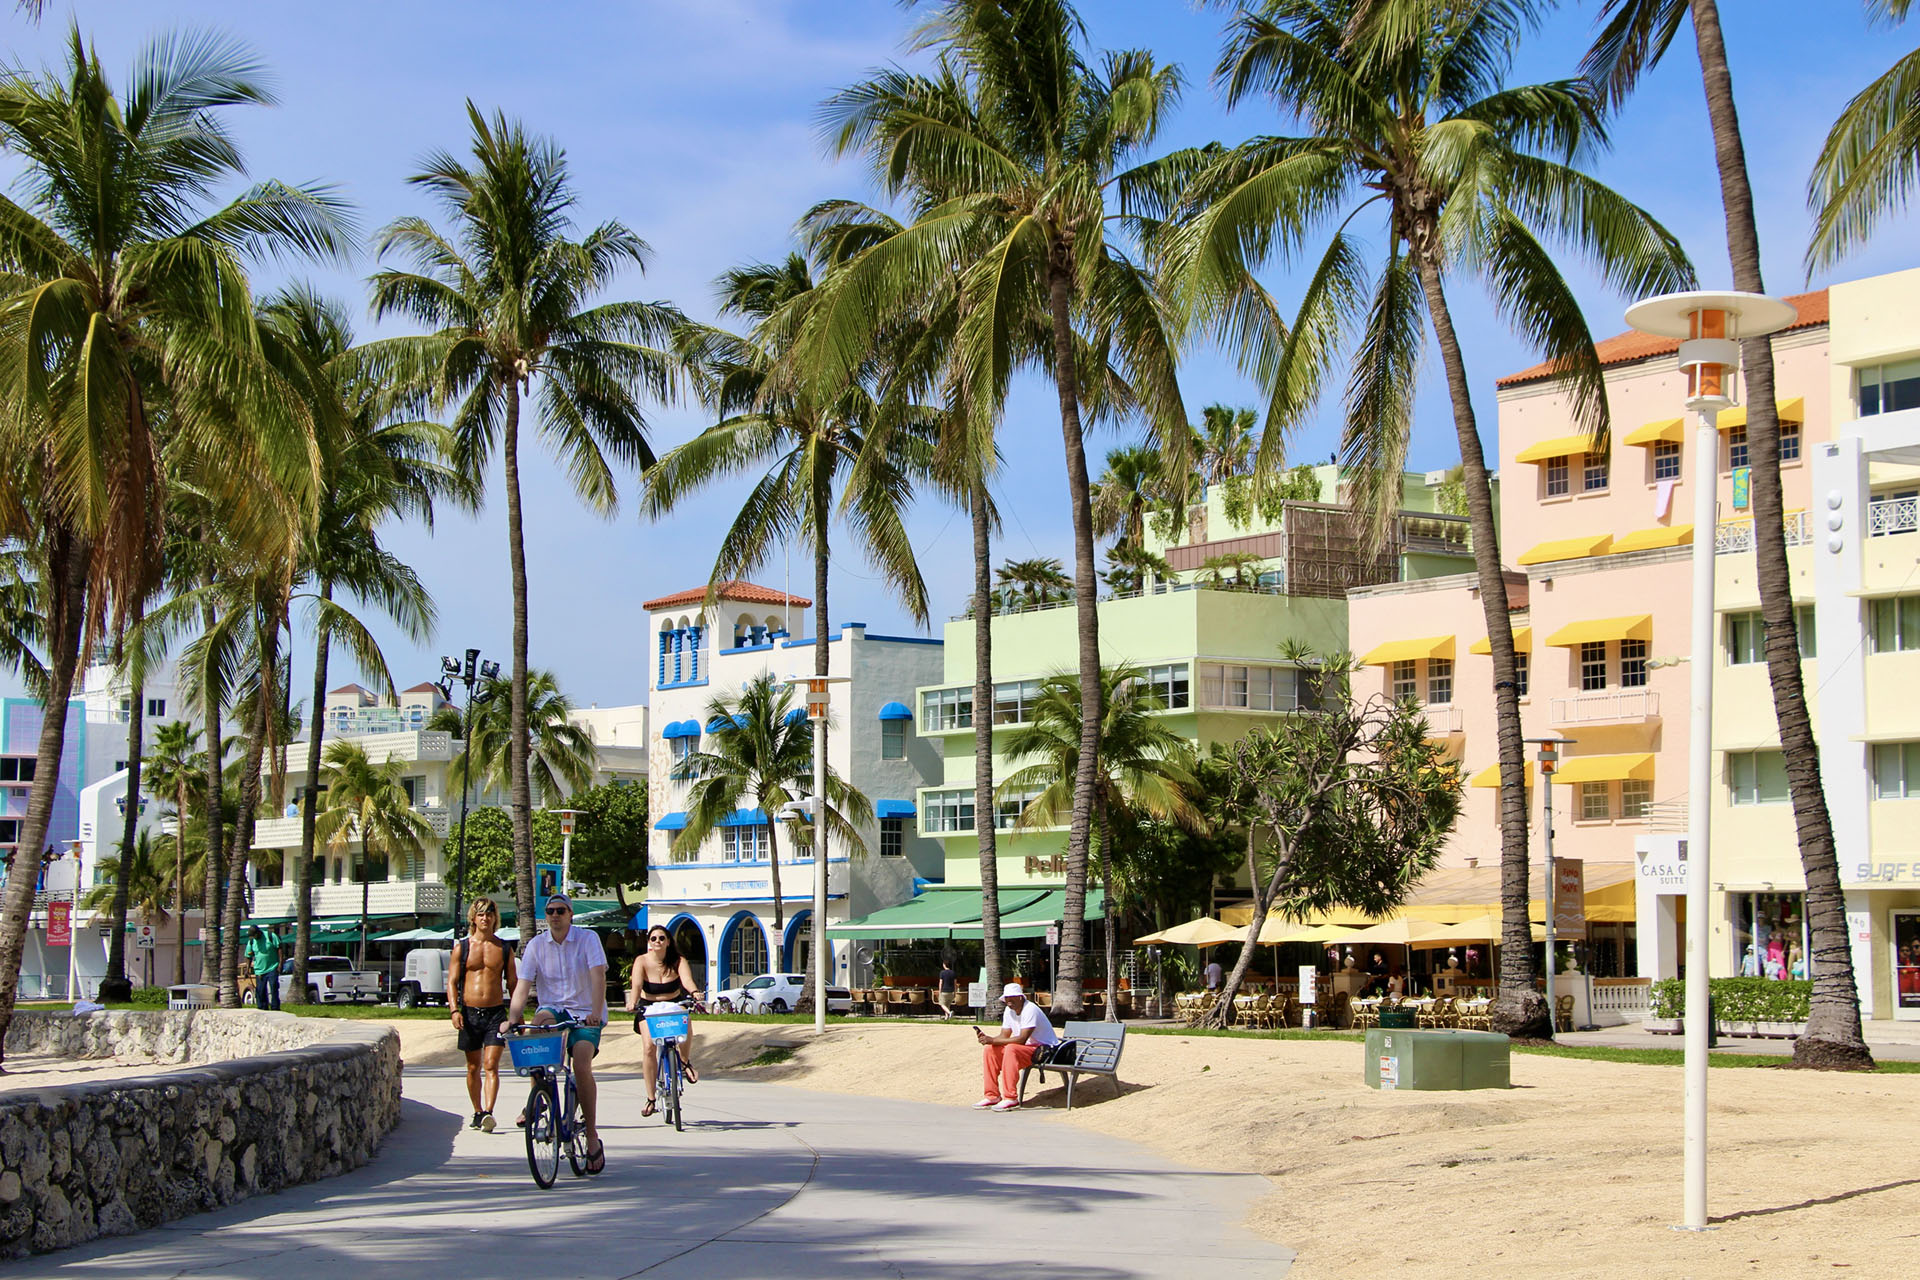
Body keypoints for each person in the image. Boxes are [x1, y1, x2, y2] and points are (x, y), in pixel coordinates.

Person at [508, 894, 609, 1174]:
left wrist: (596, 1012)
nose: (555, 915)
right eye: (550, 911)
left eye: (560, 910)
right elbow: (523, 985)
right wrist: (512, 1019)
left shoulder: (588, 940)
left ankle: (590, 1136)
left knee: (581, 1062)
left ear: (570, 914)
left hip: (585, 1012)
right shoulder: (537, 946)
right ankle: (539, 1099)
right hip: (553, 1009)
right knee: (535, 1027)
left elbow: (598, 976)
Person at [449, 897, 517, 1132]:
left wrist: (516, 1015)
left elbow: (513, 983)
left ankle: (488, 1112)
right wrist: (454, 1010)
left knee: (491, 1065)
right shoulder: (463, 947)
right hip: (469, 1013)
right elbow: (452, 982)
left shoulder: (504, 948)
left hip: (495, 1014)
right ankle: (477, 1111)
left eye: (489, 914)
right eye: (480, 914)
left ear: (494, 918)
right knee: (472, 1067)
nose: (485, 918)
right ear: (473, 918)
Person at [623, 924, 704, 1117]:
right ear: (649, 943)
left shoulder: (678, 960)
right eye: (653, 939)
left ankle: (684, 1062)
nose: (657, 941)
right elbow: (636, 985)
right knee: (649, 1047)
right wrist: (632, 1002)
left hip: (674, 1004)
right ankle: (651, 1098)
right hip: (648, 1007)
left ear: (668, 942)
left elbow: (686, 980)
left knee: (686, 1023)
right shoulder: (641, 961)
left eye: (661, 938)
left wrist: (694, 992)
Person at [974, 982, 1057, 1112]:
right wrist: (990, 1040)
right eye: (1006, 998)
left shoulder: (1030, 1009)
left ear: (1020, 997)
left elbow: (1022, 1039)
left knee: (1011, 1048)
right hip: (1027, 1049)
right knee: (990, 1050)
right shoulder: (1009, 1010)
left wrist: (993, 1040)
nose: (1008, 1001)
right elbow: (1004, 1035)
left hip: (1044, 1050)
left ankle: (1010, 1097)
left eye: (1011, 997)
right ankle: (992, 1096)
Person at [246, 926, 281, 1011]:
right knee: (260, 990)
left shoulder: (270, 936)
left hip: (272, 967)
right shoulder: (251, 941)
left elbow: (279, 949)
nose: (253, 937)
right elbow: (248, 956)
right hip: (259, 970)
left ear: (258, 933)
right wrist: (247, 969)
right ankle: (262, 1008)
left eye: (253, 935)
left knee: (273, 987)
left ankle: (275, 1007)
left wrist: (280, 964)